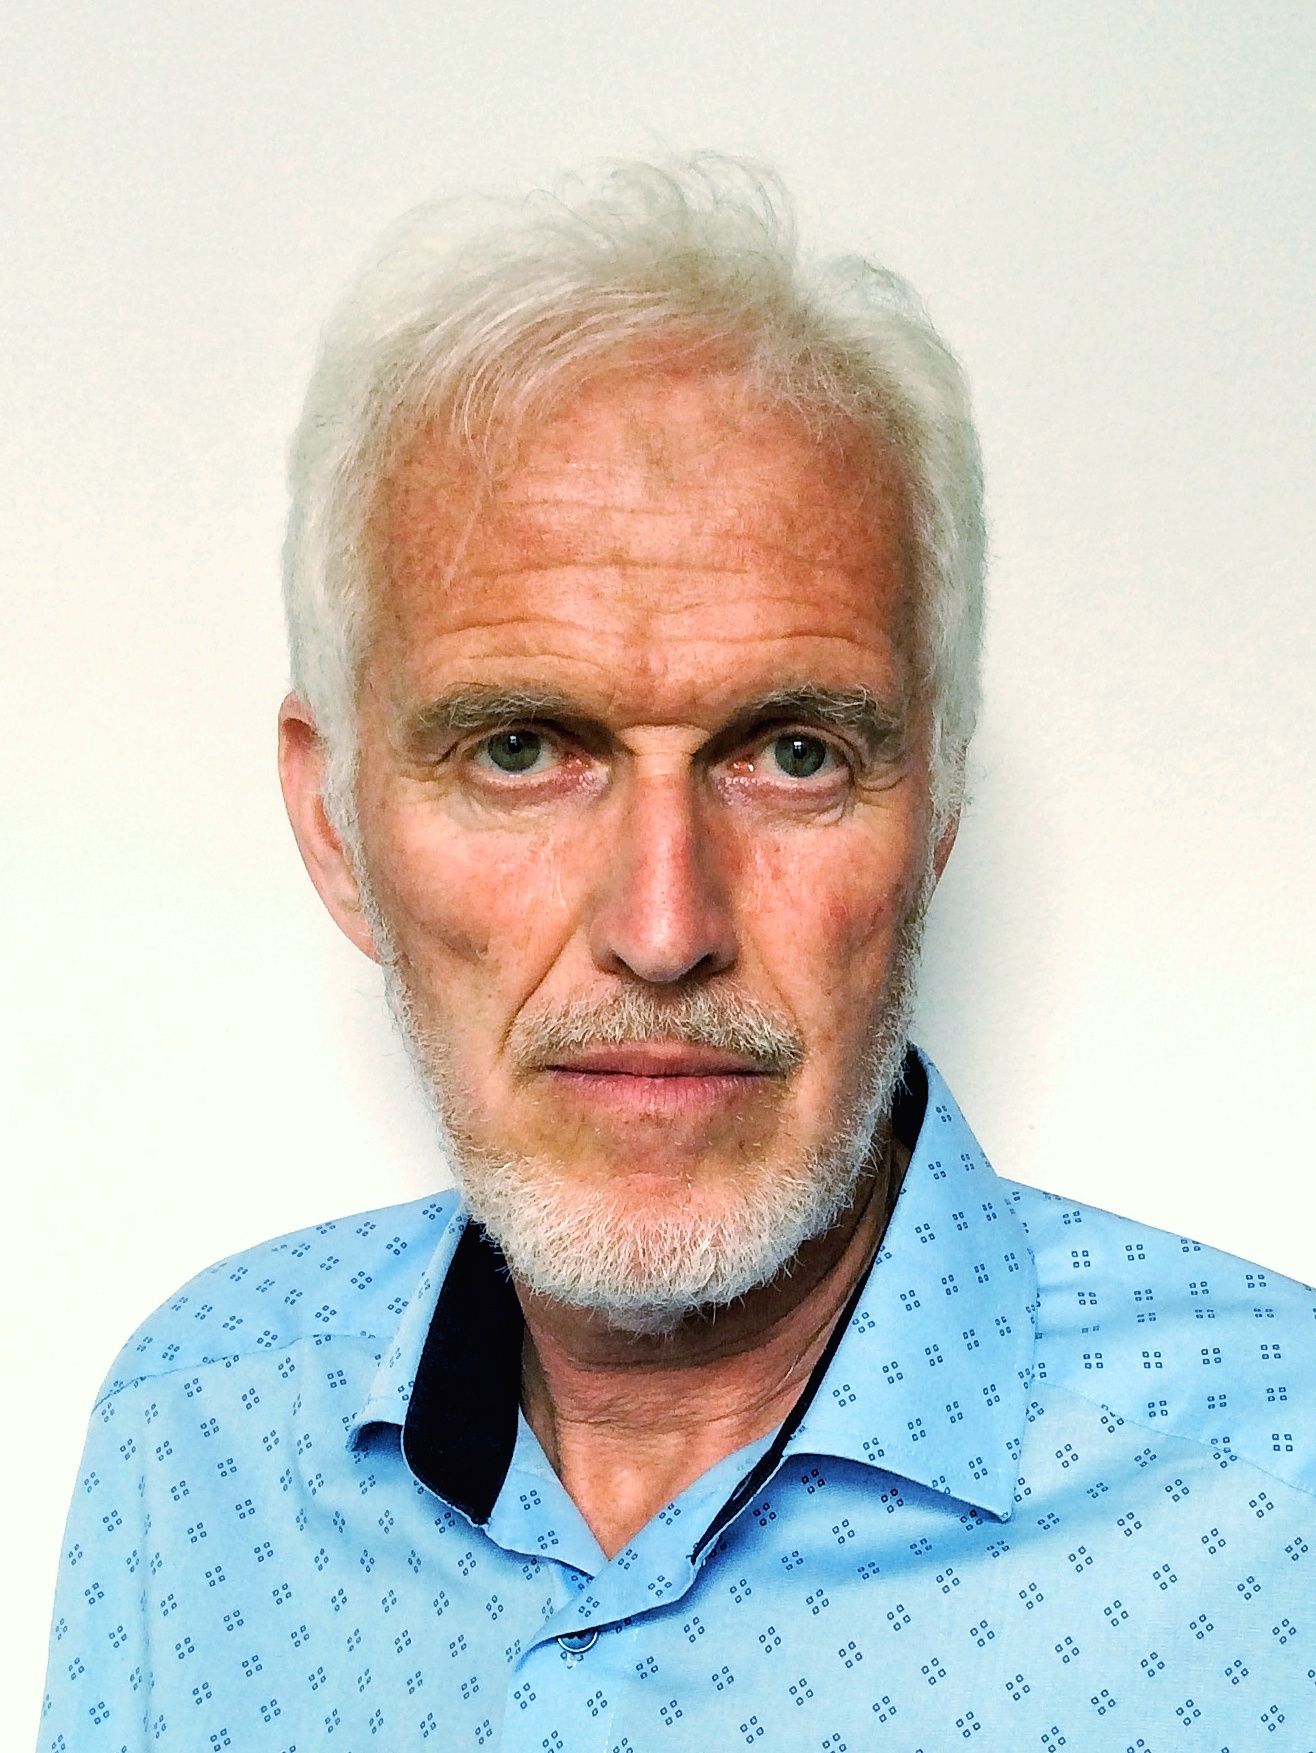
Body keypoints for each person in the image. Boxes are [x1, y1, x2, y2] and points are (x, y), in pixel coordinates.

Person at [39, 156, 1314, 1752]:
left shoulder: (1287, 1508)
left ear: (937, 805)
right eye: (520, 749)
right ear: (335, 823)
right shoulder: (198, 1439)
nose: (663, 929)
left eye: (791, 754)